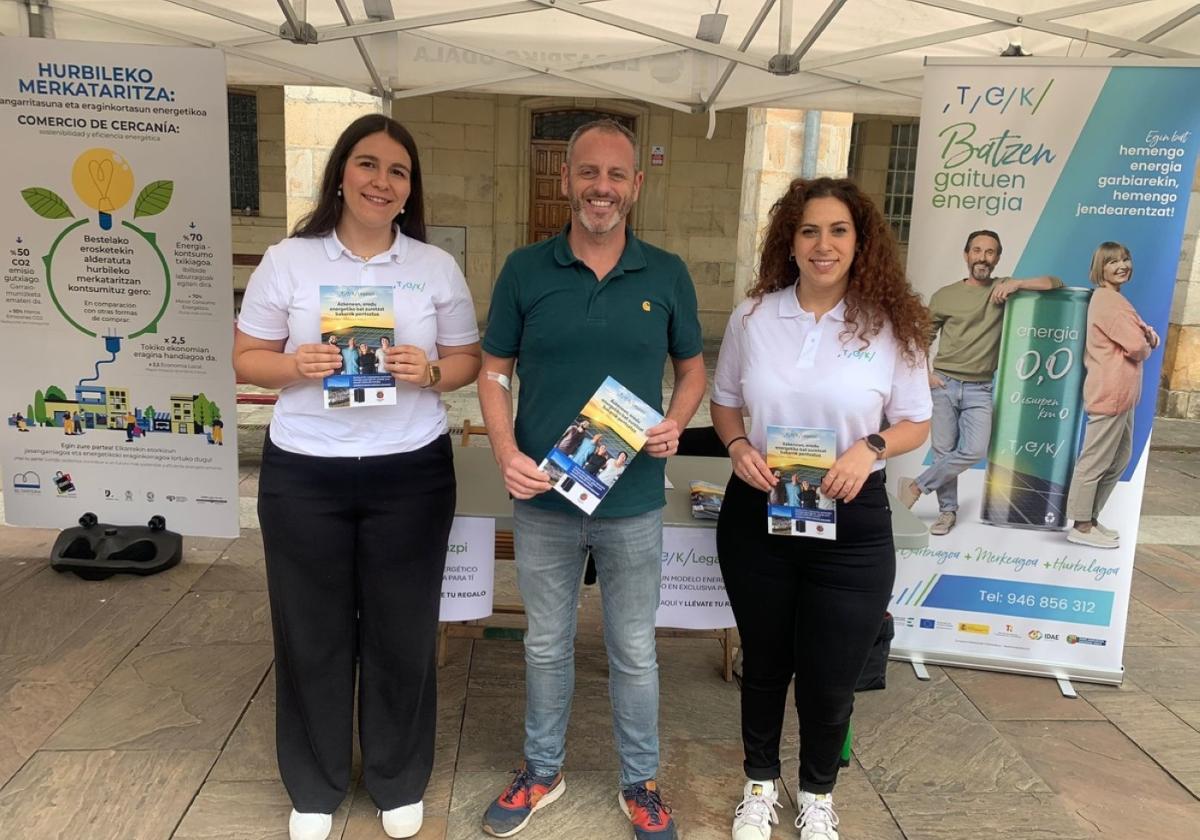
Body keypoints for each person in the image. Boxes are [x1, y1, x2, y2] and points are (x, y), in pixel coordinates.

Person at [233, 114, 481, 840]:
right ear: (341, 173)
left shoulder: (432, 267)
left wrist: (429, 370)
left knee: (403, 632)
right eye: (368, 165)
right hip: (305, 472)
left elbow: (467, 360)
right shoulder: (289, 260)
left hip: (412, 472)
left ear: (410, 192)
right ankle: (314, 784)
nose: (382, 181)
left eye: (398, 172)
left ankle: (398, 778)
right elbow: (247, 356)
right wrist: (295, 364)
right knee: (310, 631)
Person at [476, 118, 706, 840]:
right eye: (588, 173)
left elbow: (693, 368)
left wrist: (675, 418)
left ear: (635, 186)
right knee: (545, 644)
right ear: (566, 179)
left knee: (633, 649)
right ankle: (542, 772)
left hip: (633, 499)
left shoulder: (666, 272)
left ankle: (641, 782)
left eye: (616, 176)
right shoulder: (524, 269)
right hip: (544, 497)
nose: (600, 188)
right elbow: (492, 371)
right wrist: (505, 450)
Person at [712, 177, 932, 840]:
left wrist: (870, 448)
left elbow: (916, 420)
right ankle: (758, 786)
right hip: (760, 512)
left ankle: (816, 794)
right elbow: (724, 401)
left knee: (831, 677)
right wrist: (737, 444)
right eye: (810, 230)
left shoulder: (892, 324)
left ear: (861, 242)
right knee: (764, 663)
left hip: (854, 519)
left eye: (838, 231)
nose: (823, 244)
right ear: (791, 240)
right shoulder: (753, 317)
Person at [896, 230, 1060, 535]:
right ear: (966, 254)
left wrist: (1017, 283)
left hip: (980, 388)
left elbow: (1055, 283)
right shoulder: (944, 295)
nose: (982, 257)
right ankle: (947, 513)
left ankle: (917, 486)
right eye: (977, 250)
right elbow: (922, 340)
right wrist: (925, 375)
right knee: (944, 452)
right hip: (943, 384)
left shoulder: (1005, 288)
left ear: (997, 258)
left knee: (974, 450)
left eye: (990, 252)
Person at [1065, 242, 1158, 548]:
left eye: (1125, 259)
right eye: (1113, 262)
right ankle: (1080, 525)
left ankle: (1090, 519)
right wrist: (1147, 342)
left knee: (1118, 458)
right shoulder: (1107, 300)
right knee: (1095, 460)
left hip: (1123, 393)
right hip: (1111, 391)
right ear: (1100, 268)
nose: (1122, 265)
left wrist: (1147, 335)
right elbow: (1137, 345)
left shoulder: (1115, 300)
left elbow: (1139, 332)